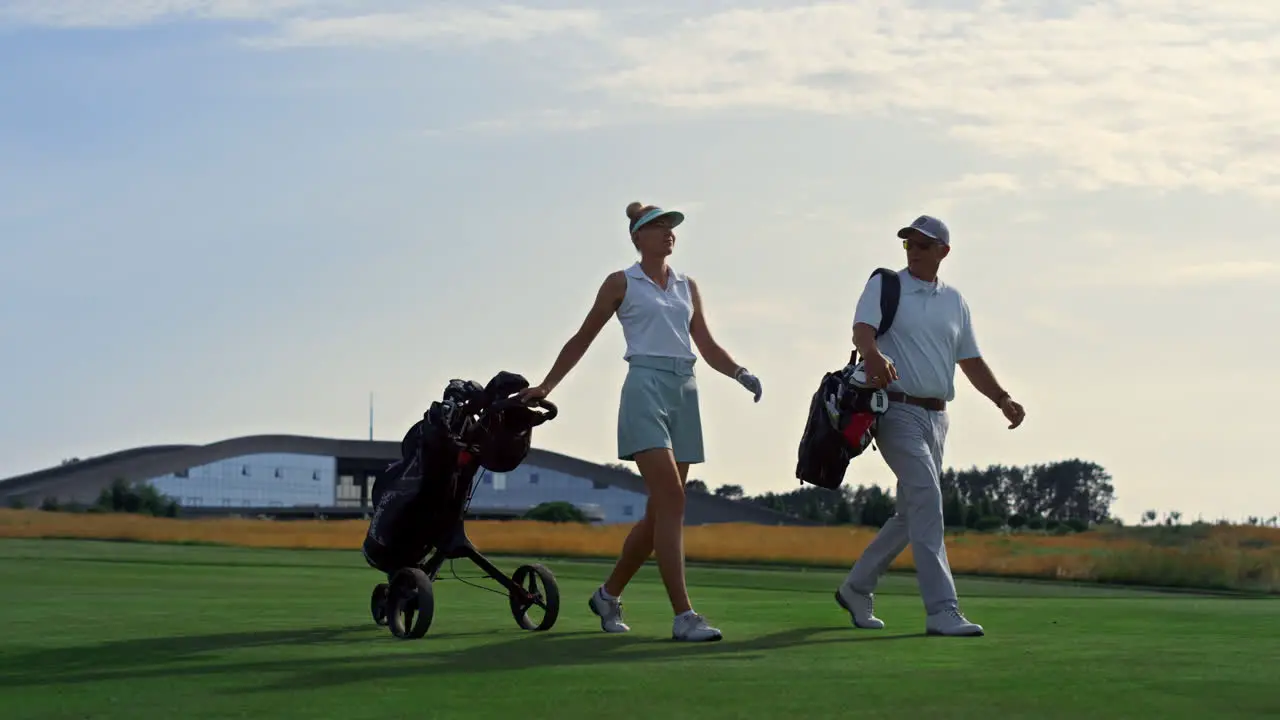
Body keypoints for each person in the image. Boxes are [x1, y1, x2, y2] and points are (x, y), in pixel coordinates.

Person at [518, 201, 763, 642]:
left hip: (685, 392)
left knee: (659, 513)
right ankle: (684, 616)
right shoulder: (620, 282)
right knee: (672, 501)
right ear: (638, 237)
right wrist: (546, 386)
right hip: (645, 388)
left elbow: (704, 342)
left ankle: (608, 595)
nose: (669, 231)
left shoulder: (688, 285)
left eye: (671, 225)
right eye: (658, 225)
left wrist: (740, 372)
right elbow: (583, 337)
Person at [835, 214, 1026, 637]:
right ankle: (942, 609)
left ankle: (856, 587)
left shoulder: (955, 301)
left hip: (938, 417)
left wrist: (1001, 398)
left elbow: (970, 359)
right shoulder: (887, 285)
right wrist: (872, 355)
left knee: (911, 512)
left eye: (924, 244)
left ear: (944, 251)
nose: (915, 250)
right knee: (927, 497)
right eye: (909, 244)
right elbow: (862, 330)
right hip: (895, 409)